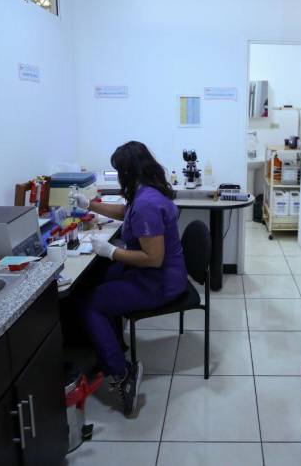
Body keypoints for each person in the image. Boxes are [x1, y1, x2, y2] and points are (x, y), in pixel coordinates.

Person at [71, 141, 187, 417]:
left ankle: (121, 375)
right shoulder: (147, 192)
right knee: (99, 283)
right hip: (159, 274)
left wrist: (112, 252)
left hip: (160, 281)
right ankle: (113, 348)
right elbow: (127, 212)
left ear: (127, 171)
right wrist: (92, 205)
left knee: (90, 303)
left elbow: (153, 258)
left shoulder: (147, 202)